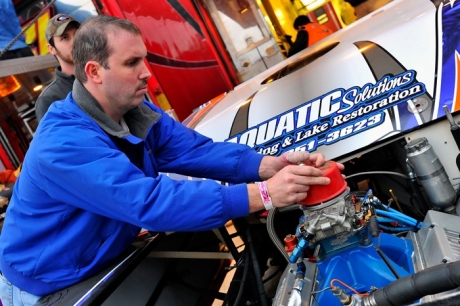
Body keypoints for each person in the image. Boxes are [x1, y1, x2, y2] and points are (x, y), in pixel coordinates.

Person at [0, 15, 343, 304]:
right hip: (49, 280)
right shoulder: (64, 141)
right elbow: (149, 202)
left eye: (144, 59)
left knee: (204, 249)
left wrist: (269, 165)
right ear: (94, 71)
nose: (147, 73)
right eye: (132, 63)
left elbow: (195, 150)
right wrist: (263, 195)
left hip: (100, 250)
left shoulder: (135, 110)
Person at [34, 14, 80, 122]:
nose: (74, 42)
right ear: (52, 49)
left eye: (78, 34)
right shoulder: (50, 100)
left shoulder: (104, 74)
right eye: (65, 37)